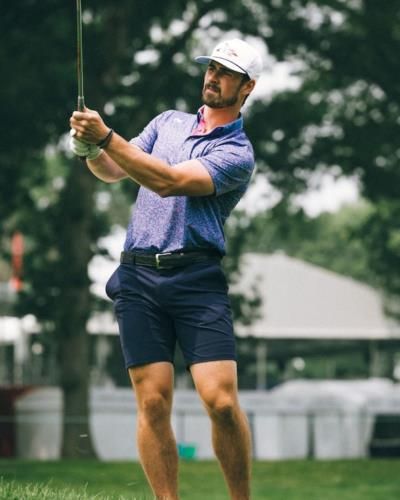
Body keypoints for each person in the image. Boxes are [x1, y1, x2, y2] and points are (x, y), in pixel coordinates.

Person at [69, 38, 262, 500]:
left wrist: (106, 137)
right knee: (152, 402)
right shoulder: (167, 123)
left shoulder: (238, 154)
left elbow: (169, 182)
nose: (213, 77)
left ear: (247, 87)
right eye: (211, 67)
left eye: (226, 73)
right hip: (137, 277)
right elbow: (116, 170)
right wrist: (91, 151)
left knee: (219, 401)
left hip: (197, 279)